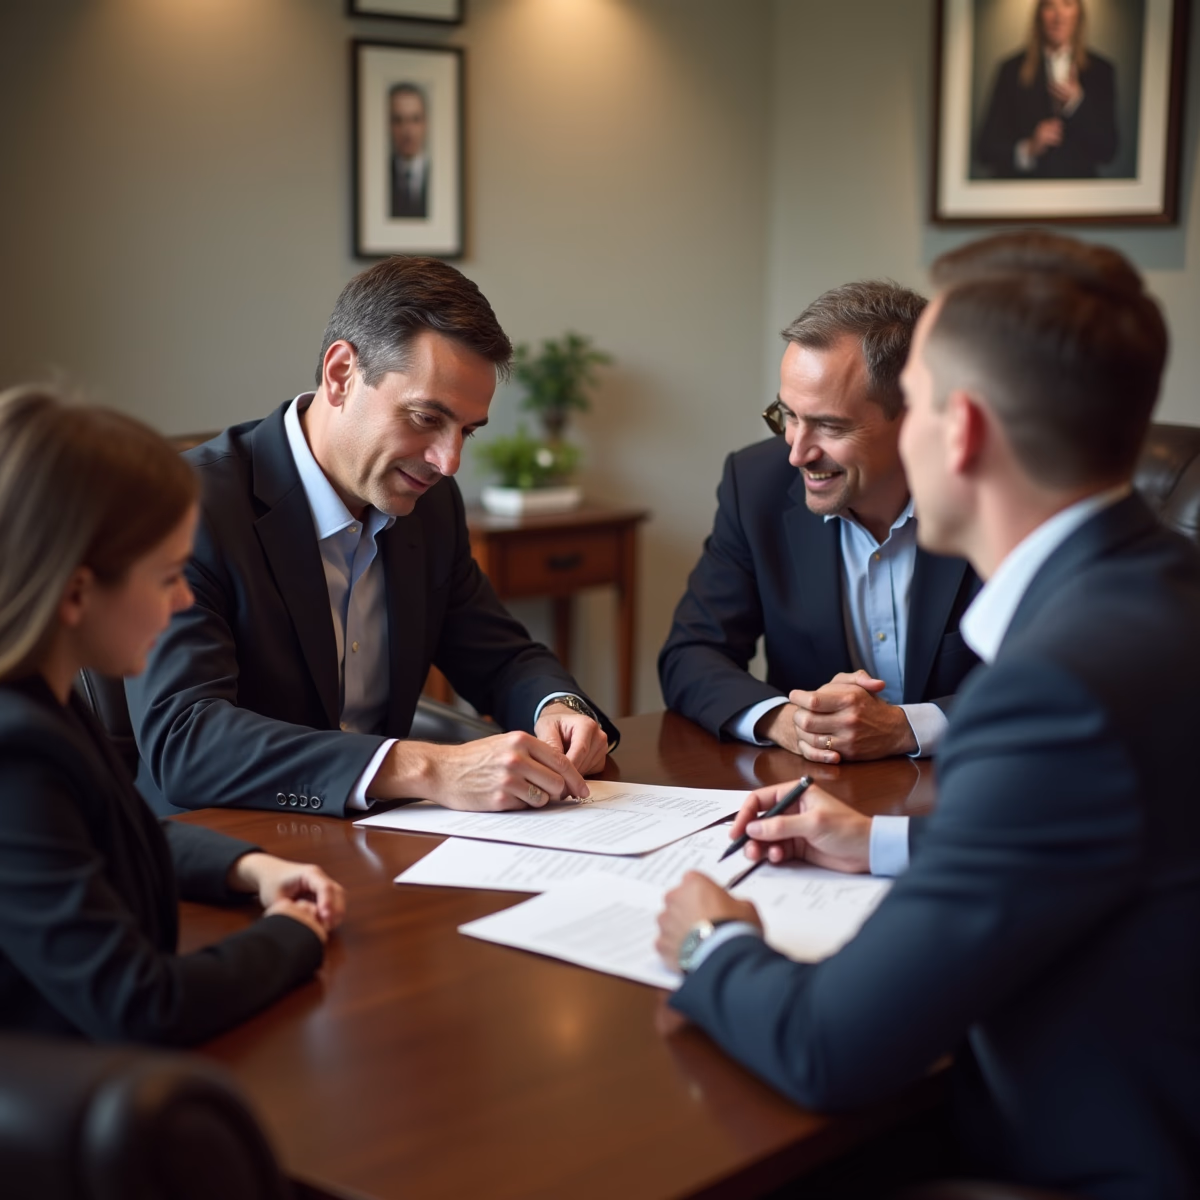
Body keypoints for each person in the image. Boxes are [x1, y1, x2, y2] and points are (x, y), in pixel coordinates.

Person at [656, 232, 1200, 1197]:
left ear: (960, 433)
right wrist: (881, 846)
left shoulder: (1058, 685)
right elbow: (1101, 842)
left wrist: (712, 941)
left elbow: (831, 1046)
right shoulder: (1157, 593)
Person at [127, 256, 617, 819]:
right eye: (426, 418)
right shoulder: (187, 507)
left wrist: (557, 707)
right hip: (223, 849)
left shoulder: (431, 507)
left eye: (466, 432)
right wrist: (428, 768)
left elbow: (501, 656)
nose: (449, 462)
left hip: (384, 842)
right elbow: (187, 742)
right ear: (340, 375)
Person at [0, 387, 345, 1045]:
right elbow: (143, 1005)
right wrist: (291, 939)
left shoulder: (44, 700)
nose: (185, 597)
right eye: (166, 578)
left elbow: (110, 835)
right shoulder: (14, 755)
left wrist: (249, 868)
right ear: (76, 592)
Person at [658, 281, 979, 766]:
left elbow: (1057, 680)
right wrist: (787, 720)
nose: (796, 452)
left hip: (969, 795)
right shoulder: (755, 486)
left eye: (829, 426)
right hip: (815, 794)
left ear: (915, 420)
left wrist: (903, 728)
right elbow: (691, 654)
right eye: (788, 415)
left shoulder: (990, 498)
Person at [976, 0, 1117, 179]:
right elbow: (986, 149)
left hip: (1081, 197)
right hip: (1024, 194)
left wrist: (1077, 103)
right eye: (1050, 5)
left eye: (1067, 4)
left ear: (1079, 14)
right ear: (1039, 15)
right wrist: (1028, 148)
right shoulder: (1011, 70)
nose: (1058, 17)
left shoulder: (1100, 71)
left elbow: (1108, 151)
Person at [390, 83, 428, 218]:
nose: (407, 131)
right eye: (399, 120)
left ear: (425, 123)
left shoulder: (440, 174)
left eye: (415, 120)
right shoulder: (381, 175)